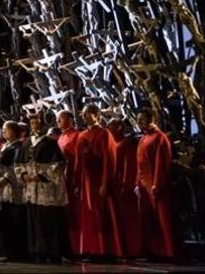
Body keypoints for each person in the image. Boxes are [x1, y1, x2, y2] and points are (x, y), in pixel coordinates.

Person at [74, 104, 120, 259]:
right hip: (86, 181)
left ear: (96, 115)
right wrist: (78, 184)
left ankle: (103, 250)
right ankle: (91, 249)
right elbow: (78, 162)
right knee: (88, 216)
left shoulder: (104, 134)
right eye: (84, 113)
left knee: (101, 215)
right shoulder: (81, 135)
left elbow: (109, 159)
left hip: (98, 179)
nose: (85, 116)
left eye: (88, 113)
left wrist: (105, 182)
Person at [21, 114, 67, 263]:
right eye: (32, 123)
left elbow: (57, 165)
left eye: (37, 123)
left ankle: (52, 252)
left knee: (48, 220)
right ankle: (37, 251)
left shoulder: (49, 143)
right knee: (34, 220)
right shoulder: (27, 142)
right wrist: (23, 175)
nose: (35, 125)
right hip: (31, 188)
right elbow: (19, 164)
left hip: (45, 188)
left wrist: (40, 175)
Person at [135, 107, 176, 260]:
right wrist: (137, 183)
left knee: (163, 219)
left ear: (151, 119)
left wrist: (157, 183)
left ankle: (169, 251)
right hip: (144, 184)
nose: (139, 123)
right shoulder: (143, 138)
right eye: (138, 120)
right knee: (150, 220)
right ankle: (155, 250)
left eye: (142, 120)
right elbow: (139, 164)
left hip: (155, 184)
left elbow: (161, 162)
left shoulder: (159, 138)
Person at [108, 117, 143, 258]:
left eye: (112, 126)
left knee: (129, 219)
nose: (109, 128)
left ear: (119, 127)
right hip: (114, 185)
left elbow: (129, 166)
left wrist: (126, 184)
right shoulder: (112, 142)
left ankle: (133, 249)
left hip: (123, 186)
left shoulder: (125, 143)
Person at [0, 121, 26, 260]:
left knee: (15, 219)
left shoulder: (18, 147)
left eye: (6, 129)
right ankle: (5, 250)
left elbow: (17, 167)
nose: (4, 132)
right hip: (2, 187)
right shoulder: (4, 147)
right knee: (5, 220)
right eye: (3, 129)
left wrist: (6, 179)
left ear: (14, 131)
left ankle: (17, 252)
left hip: (14, 188)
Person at [55, 109, 80, 252]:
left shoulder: (76, 136)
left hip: (72, 178)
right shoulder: (61, 137)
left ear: (70, 119)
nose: (58, 121)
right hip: (63, 178)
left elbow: (77, 160)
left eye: (61, 118)